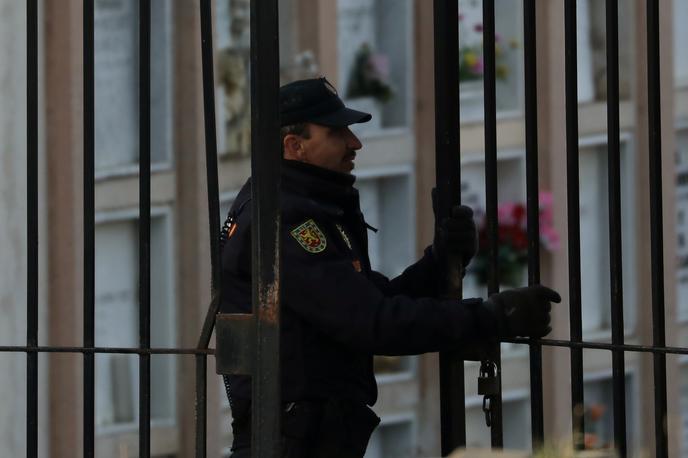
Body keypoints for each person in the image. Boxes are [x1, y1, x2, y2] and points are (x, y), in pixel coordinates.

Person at [219, 77, 560, 457]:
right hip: (292, 442)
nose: (355, 143)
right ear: (294, 146)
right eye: (336, 132)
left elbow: (369, 298)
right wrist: (490, 317)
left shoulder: (304, 206)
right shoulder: (288, 222)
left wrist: (441, 261)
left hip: (307, 436)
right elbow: (371, 322)